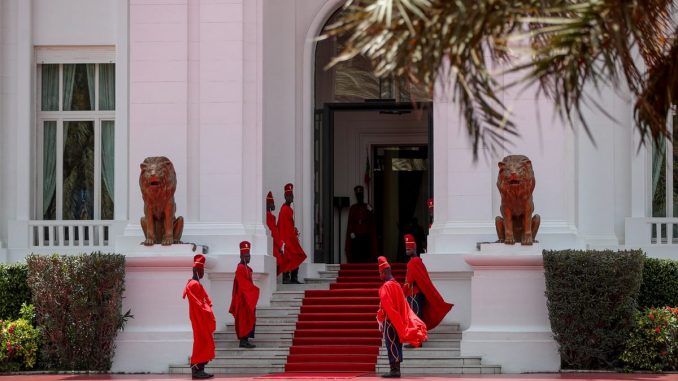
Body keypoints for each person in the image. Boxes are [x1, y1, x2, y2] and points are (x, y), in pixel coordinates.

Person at [376, 256, 428, 378]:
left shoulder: (385, 287)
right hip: (398, 319)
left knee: (391, 343)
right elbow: (404, 306)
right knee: (396, 344)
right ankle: (396, 369)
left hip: (390, 320)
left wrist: (381, 317)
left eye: (380, 273)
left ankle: (394, 370)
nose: (380, 275)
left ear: (384, 272)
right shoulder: (397, 286)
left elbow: (386, 307)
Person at [402, 234, 453, 348]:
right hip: (417, 294)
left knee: (415, 318)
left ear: (414, 248)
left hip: (413, 295)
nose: (406, 250)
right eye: (406, 248)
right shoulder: (418, 261)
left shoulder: (412, 263)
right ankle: (418, 339)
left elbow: (408, 281)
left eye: (408, 248)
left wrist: (401, 292)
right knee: (417, 317)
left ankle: (416, 341)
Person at [183, 254, 216, 379]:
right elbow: (201, 304)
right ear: (197, 270)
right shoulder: (194, 284)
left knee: (203, 342)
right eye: (201, 270)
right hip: (199, 318)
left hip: (200, 317)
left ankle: (199, 368)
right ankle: (197, 369)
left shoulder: (194, 283)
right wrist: (209, 312)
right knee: (201, 342)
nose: (203, 273)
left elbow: (204, 300)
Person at [229, 241, 260, 349]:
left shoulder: (247, 268)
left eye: (249, 255)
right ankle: (243, 341)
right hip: (242, 300)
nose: (249, 258)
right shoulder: (241, 268)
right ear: (241, 256)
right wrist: (254, 291)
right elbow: (244, 285)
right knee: (243, 320)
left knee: (247, 318)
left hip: (247, 298)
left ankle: (246, 339)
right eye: (246, 256)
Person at [277, 183, 307, 284]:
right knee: (291, 257)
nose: (291, 197)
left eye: (292, 196)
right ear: (285, 196)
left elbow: (288, 224)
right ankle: (287, 278)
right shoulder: (285, 209)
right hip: (287, 239)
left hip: (291, 237)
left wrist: (294, 230)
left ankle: (293, 278)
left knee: (296, 256)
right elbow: (282, 226)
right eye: (289, 196)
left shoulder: (288, 209)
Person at [345, 185, 377, 263]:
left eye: (361, 194)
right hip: (356, 234)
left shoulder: (367, 206)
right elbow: (350, 222)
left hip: (365, 233)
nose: (359, 196)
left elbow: (372, 220)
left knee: (365, 253)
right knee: (356, 253)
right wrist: (351, 231)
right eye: (358, 194)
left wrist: (371, 210)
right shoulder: (353, 208)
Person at [265, 191, 286, 275]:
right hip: (274, 244)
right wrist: (280, 244)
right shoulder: (269, 216)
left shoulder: (269, 215)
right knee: (279, 260)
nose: (273, 205)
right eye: (272, 203)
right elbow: (274, 232)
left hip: (273, 243)